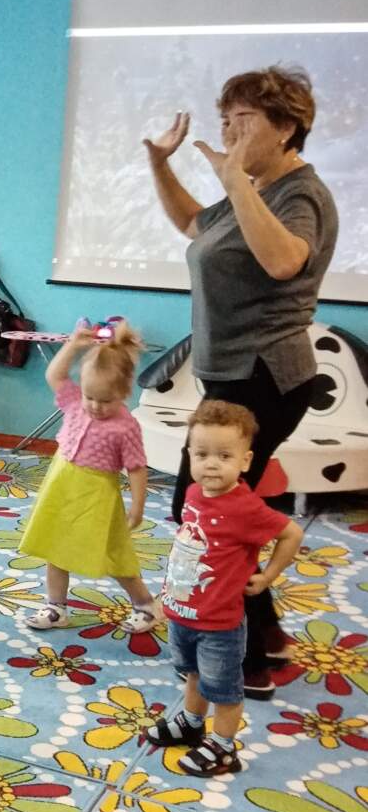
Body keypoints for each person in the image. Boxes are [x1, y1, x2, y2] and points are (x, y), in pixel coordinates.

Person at [144, 66, 337, 697]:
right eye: (225, 119)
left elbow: (283, 260)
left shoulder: (299, 194)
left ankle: (246, 660)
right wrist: (160, 164)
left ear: (286, 128)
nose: (228, 132)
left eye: (244, 120)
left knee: (210, 512)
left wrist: (233, 179)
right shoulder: (253, 190)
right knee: (222, 507)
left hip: (264, 376)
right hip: (234, 375)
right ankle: (268, 635)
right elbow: (194, 225)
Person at [143, 400, 303, 777]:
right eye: (201, 454)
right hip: (183, 612)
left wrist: (267, 577)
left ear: (245, 461)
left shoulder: (245, 507)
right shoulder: (194, 493)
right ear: (189, 456)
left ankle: (224, 748)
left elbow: (291, 533)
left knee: (225, 689)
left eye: (224, 456)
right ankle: (191, 723)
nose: (211, 464)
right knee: (193, 674)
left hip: (220, 624)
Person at [19, 321, 158, 632]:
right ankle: (56, 607)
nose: (95, 406)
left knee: (112, 552)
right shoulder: (74, 403)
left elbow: (136, 467)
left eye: (106, 400)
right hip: (62, 485)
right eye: (90, 396)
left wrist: (137, 506)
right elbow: (55, 375)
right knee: (54, 544)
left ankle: (145, 604)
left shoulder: (126, 426)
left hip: (97, 494)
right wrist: (73, 345)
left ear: (125, 393)